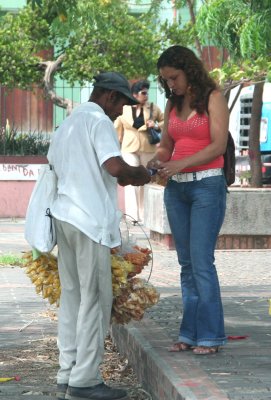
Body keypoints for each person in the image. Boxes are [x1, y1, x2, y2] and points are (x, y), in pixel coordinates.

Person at [47, 71, 151, 400]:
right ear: (108, 95)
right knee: (95, 301)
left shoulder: (67, 124)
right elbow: (116, 168)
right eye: (121, 102)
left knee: (74, 299)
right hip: (89, 222)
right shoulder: (98, 121)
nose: (121, 110)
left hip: (64, 217)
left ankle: (68, 372)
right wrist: (143, 174)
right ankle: (85, 381)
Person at [147, 45, 229, 355]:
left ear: (189, 70)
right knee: (186, 264)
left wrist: (181, 163)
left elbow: (218, 145)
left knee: (201, 262)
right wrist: (157, 160)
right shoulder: (172, 104)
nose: (171, 85)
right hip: (176, 190)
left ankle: (210, 335)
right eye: (166, 80)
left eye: (174, 78)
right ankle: (189, 333)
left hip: (207, 186)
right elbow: (166, 146)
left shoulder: (213, 98)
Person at [114, 79, 164, 223]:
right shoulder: (125, 109)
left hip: (148, 148)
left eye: (147, 92)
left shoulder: (153, 107)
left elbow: (164, 121)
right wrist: (116, 145)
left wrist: (155, 124)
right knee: (131, 179)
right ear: (135, 94)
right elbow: (117, 127)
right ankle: (133, 215)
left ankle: (144, 214)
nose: (146, 95)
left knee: (146, 179)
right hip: (129, 148)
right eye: (143, 93)